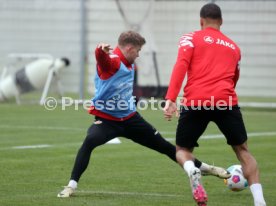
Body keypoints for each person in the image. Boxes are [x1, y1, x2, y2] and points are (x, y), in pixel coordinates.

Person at [57, 30, 230, 198]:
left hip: (131, 120)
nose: (139, 55)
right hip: (108, 121)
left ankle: (205, 168)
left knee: (164, 146)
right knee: (89, 142)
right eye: (138, 50)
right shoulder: (114, 62)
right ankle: (71, 186)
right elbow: (104, 61)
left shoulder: (128, 62)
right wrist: (99, 50)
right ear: (130, 48)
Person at [163, 3, 266, 206]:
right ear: (221, 21)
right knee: (243, 151)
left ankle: (192, 169)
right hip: (225, 101)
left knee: (182, 150)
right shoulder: (234, 48)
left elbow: (181, 65)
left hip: (195, 100)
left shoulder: (190, 38)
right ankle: (259, 200)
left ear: (201, 21)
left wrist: (171, 99)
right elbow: (234, 78)